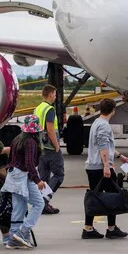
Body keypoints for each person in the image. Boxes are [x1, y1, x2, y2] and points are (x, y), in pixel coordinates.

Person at [82, 98, 128, 239]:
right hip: (100, 167)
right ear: (113, 111)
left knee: (94, 196)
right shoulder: (104, 126)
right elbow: (103, 147)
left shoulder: (97, 122)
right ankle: (111, 228)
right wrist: (107, 166)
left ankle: (88, 228)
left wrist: (120, 157)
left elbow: (104, 146)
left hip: (92, 166)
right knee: (113, 196)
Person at [2, 115, 45, 249]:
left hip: (13, 175)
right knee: (39, 203)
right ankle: (23, 232)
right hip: (23, 176)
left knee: (19, 207)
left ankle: (13, 238)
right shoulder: (31, 142)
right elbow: (29, 163)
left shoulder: (17, 139)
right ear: (36, 130)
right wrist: (38, 180)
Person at [35, 85, 63, 215]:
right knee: (58, 175)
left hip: (40, 148)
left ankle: (42, 204)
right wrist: (57, 145)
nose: (56, 97)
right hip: (51, 147)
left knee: (44, 177)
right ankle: (44, 201)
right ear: (51, 94)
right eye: (55, 94)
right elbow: (50, 129)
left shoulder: (38, 109)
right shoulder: (49, 109)